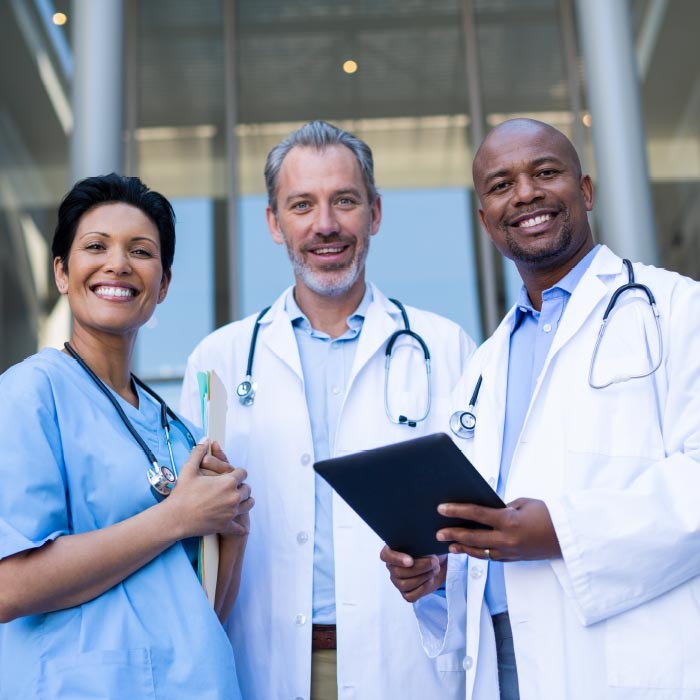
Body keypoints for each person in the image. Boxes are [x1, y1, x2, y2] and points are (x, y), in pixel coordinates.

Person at [381, 117, 700, 699]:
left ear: (585, 190)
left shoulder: (676, 309)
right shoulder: (483, 367)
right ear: (485, 219)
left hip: (626, 657)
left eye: (544, 172)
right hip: (506, 663)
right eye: (500, 185)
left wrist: (561, 532)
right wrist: (437, 572)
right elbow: (480, 529)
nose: (524, 193)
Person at [180, 120, 476, 699]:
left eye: (345, 200)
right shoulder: (218, 360)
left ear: (375, 213)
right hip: (265, 665)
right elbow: (195, 536)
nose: (325, 225)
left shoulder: (447, 348)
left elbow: (480, 514)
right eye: (302, 204)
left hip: (408, 660)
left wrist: (441, 573)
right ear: (273, 222)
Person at [0, 174, 253, 699]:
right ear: (62, 273)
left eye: (141, 251)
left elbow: (201, 611)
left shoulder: (179, 430)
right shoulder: (30, 393)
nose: (118, 263)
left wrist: (233, 530)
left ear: (162, 285)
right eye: (96, 247)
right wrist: (177, 517)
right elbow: (10, 585)